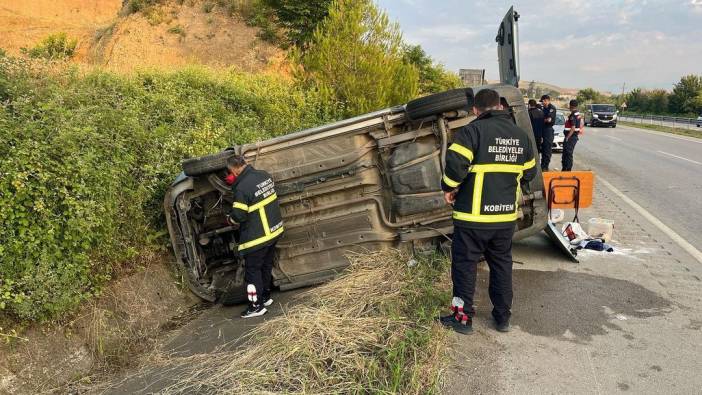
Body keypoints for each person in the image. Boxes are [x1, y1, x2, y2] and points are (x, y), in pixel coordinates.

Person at [439, 89, 537, 334]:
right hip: (504, 219)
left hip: (472, 218)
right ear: (500, 106)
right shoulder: (520, 136)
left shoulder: (472, 131)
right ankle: (503, 318)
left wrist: (449, 188)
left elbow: (455, 165)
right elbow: (530, 173)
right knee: (502, 265)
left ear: (475, 110)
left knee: (464, 266)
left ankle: (462, 320)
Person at [226, 155, 284, 318]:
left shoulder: (242, 188)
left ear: (235, 169)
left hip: (258, 237)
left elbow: (238, 216)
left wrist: (229, 218)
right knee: (265, 266)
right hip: (273, 232)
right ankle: (265, 297)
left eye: (231, 172)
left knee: (252, 272)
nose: (232, 175)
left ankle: (255, 306)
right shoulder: (264, 175)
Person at [562, 99, 583, 171]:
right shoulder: (578, 114)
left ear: (570, 106)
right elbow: (580, 124)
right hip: (574, 137)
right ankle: (566, 169)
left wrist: (567, 137)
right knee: (568, 153)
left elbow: (573, 127)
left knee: (567, 154)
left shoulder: (573, 115)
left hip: (571, 137)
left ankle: (567, 169)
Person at [540, 94, 557, 171]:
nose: (542, 103)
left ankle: (545, 166)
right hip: (543, 129)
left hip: (548, 130)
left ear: (546, 100)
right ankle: (542, 165)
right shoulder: (544, 108)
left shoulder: (551, 108)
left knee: (547, 149)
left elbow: (549, 120)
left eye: (543, 101)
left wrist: (543, 120)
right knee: (543, 148)